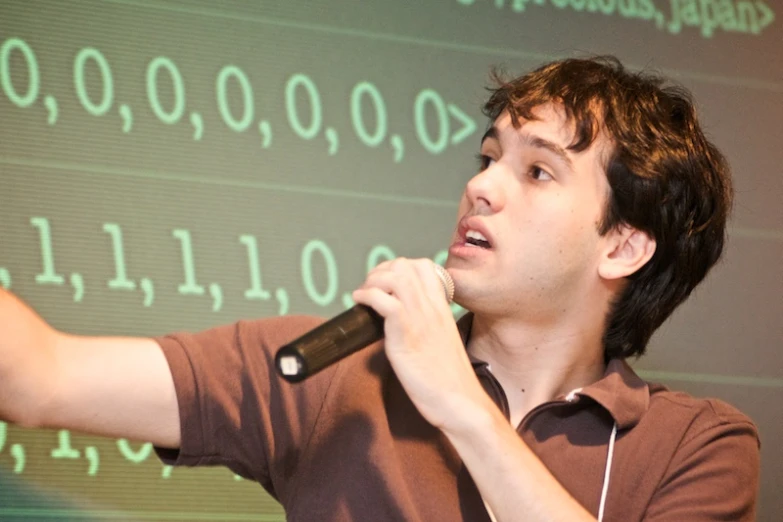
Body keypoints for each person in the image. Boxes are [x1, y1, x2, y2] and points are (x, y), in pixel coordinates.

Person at [0, 55, 760, 521]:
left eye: (535, 171)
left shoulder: (697, 446)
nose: (482, 187)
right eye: (486, 158)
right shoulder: (335, 372)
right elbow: (37, 376)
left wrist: (457, 404)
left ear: (622, 245)